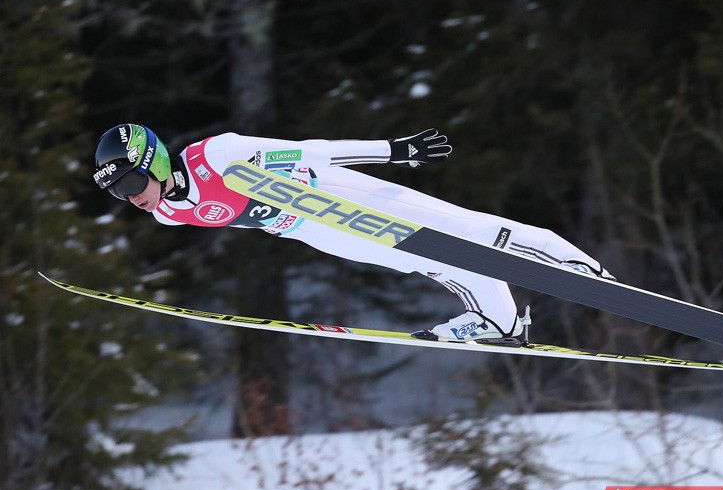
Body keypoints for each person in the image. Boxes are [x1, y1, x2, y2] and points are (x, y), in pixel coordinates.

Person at [93, 124, 613, 342]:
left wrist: (394, 151)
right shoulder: (167, 213)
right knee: (430, 258)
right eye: (119, 194)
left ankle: (571, 263)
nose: (132, 198)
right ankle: (499, 321)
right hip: (317, 230)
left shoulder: (218, 154)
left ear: (154, 161)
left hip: (337, 193)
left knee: (463, 230)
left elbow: (311, 152)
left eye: (133, 183)